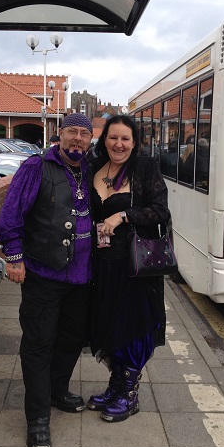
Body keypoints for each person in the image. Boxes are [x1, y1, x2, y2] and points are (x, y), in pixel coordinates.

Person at [0, 113, 94, 447]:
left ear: (90, 139)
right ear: (59, 135)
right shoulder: (35, 167)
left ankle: (57, 391)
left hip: (82, 277)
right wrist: (13, 256)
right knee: (39, 343)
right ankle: (37, 418)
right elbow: (10, 215)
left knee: (70, 340)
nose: (77, 139)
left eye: (84, 133)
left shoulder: (93, 170)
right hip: (42, 273)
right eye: (72, 132)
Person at [87, 115, 169, 422]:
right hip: (103, 264)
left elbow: (160, 211)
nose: (118, 144)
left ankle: (129, 395)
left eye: (125, 139)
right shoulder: (95, 168)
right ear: (104, 139)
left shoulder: (145, 169)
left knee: (135, 326)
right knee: (110, 325)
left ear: (134, 143)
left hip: (136, 266)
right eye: (112, 137)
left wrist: (123, 215)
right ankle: (116, 384)